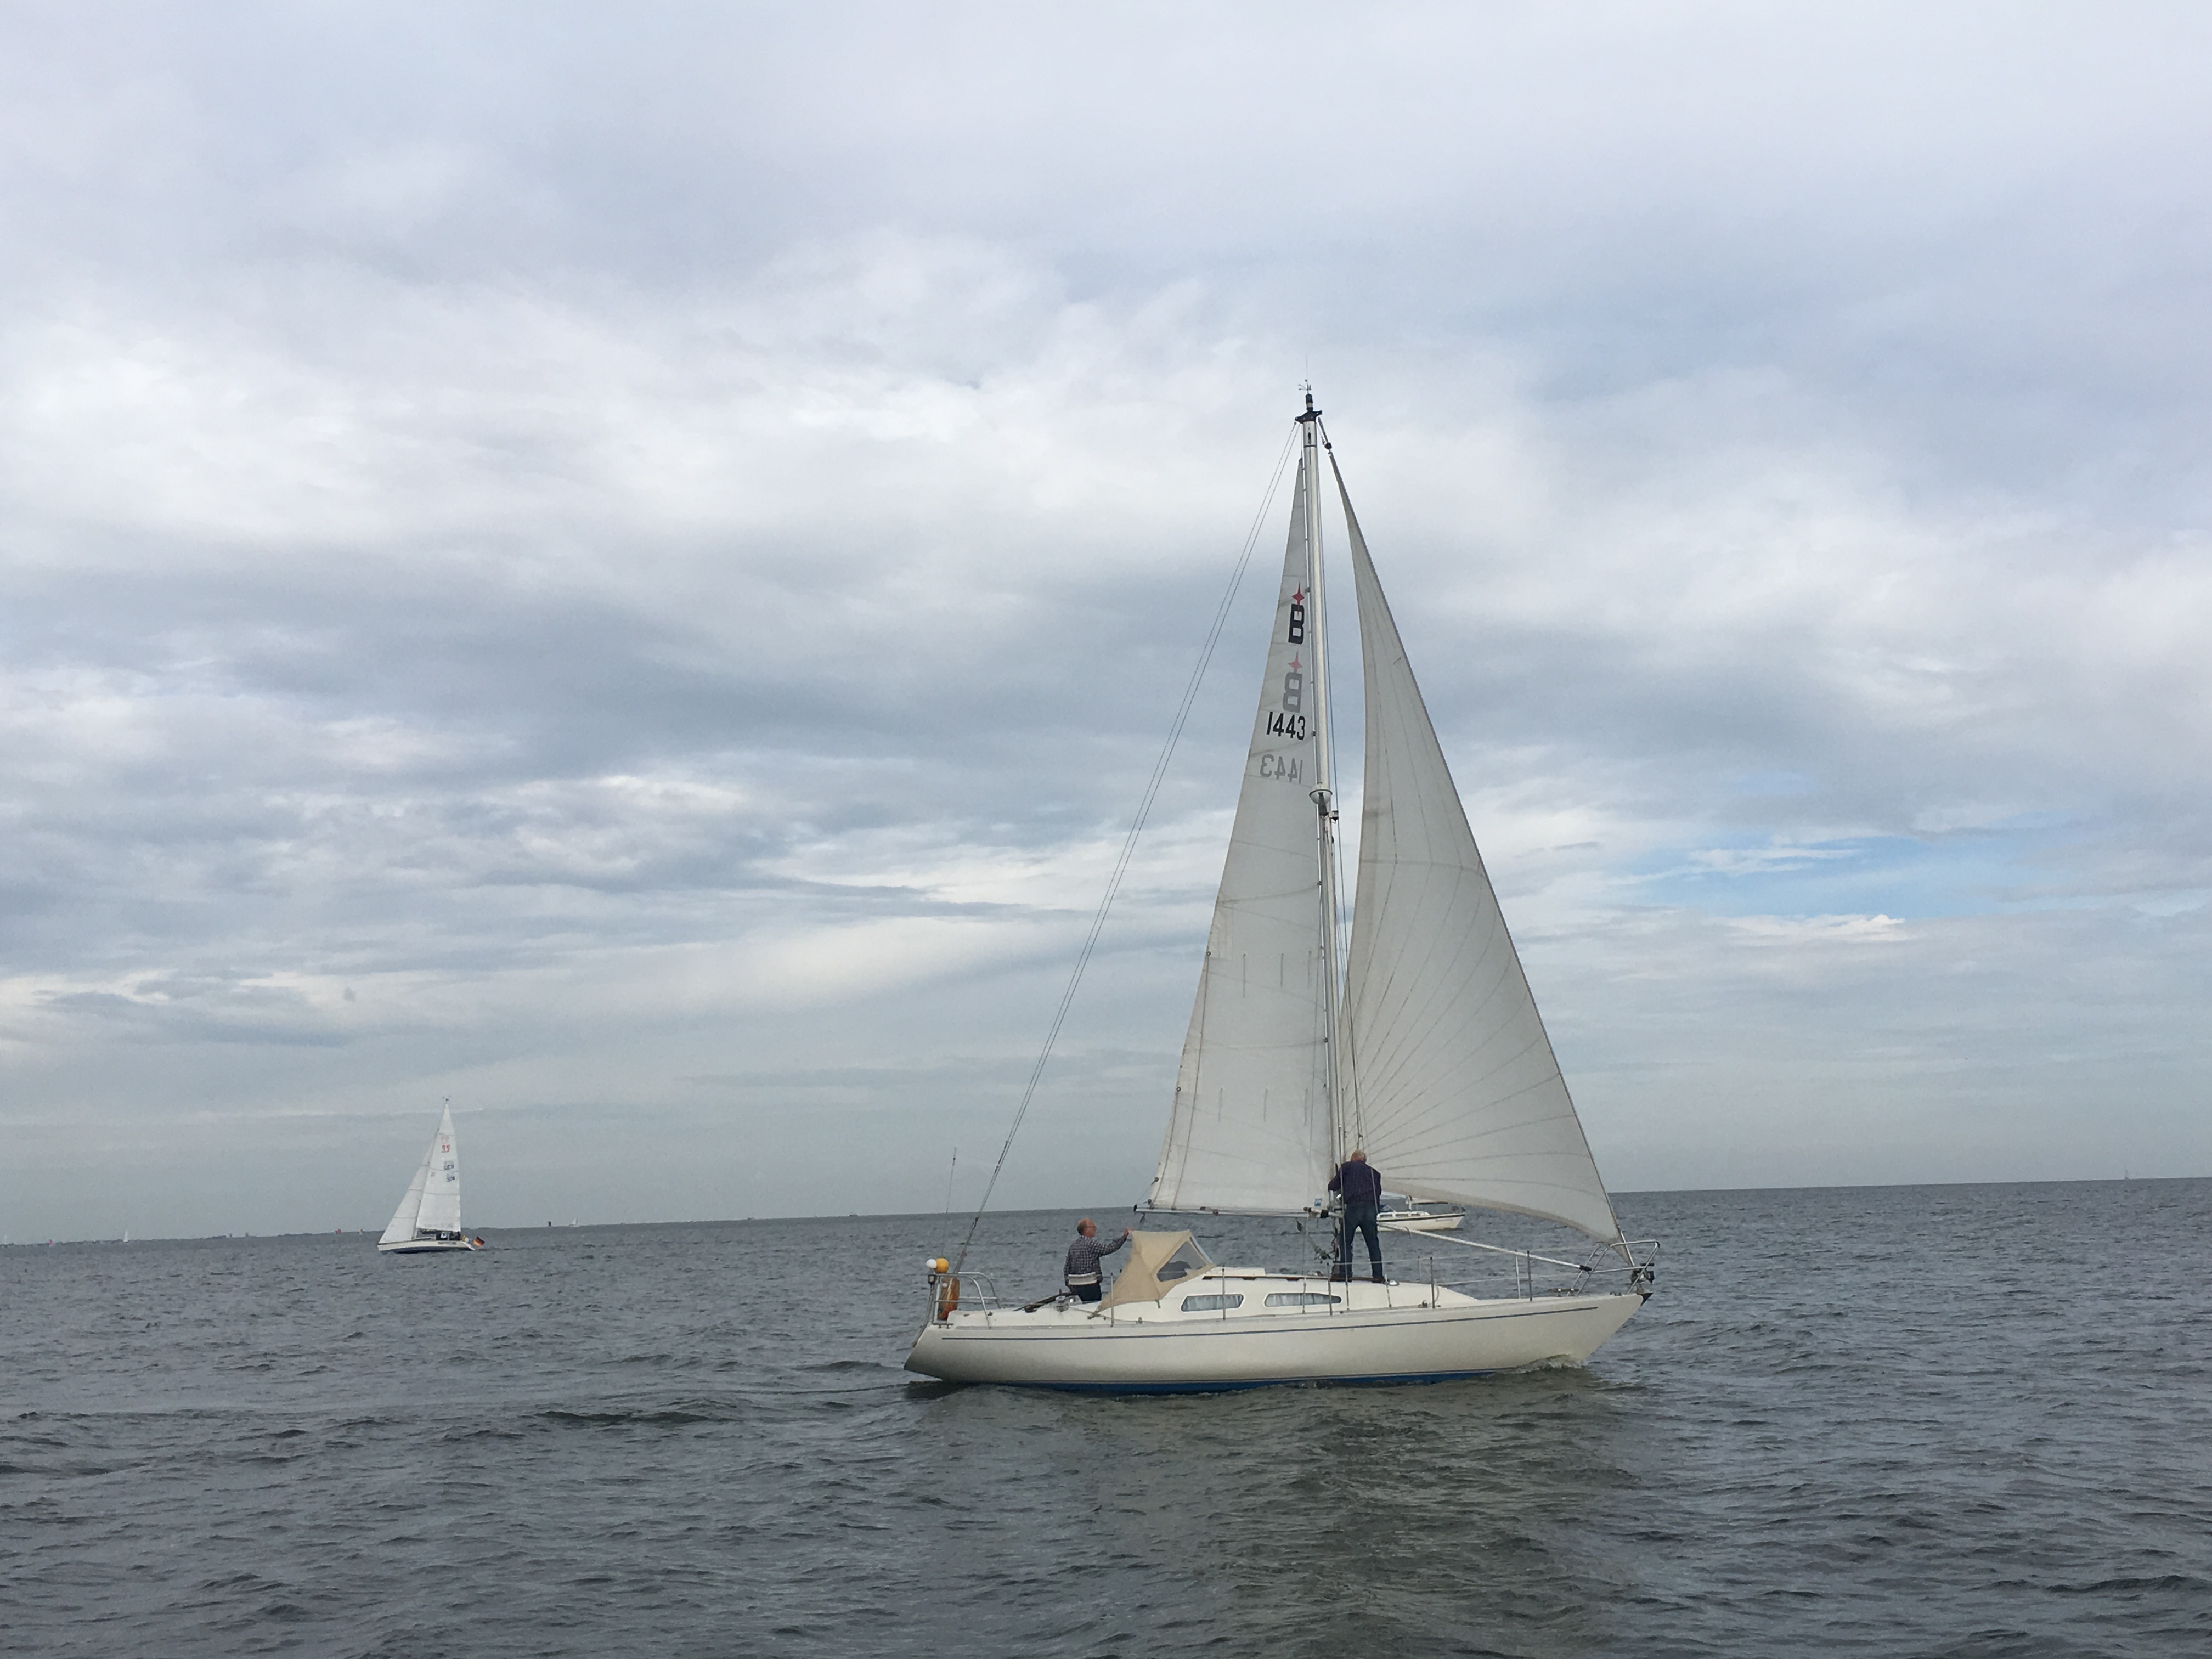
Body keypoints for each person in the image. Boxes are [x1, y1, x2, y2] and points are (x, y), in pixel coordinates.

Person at [1328, 1150, 1386, 1283]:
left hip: (1354, 1208)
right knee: (1373, 1243)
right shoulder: (1375, 1173)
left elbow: (1333, 1186)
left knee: (1345, 1241)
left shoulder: (1347, 1167)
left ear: (1354, 1158)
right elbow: (1378, 1192)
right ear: (1364, 1160)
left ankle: (1346, 1273)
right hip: (1371, 1209)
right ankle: (1378, 1275)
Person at [1063, 1217, 1130, 1303]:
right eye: (1093, 1227)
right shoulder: (1091, 1243)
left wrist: (1068, 1283)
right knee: (1094, 1303)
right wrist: (1124, 1237)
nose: (1095, 1229)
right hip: (1091, 1285)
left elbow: (1067, 1267)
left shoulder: (1073, 1246)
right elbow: (1108, 1249)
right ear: (1086, 1230)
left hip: (1076, 1285)